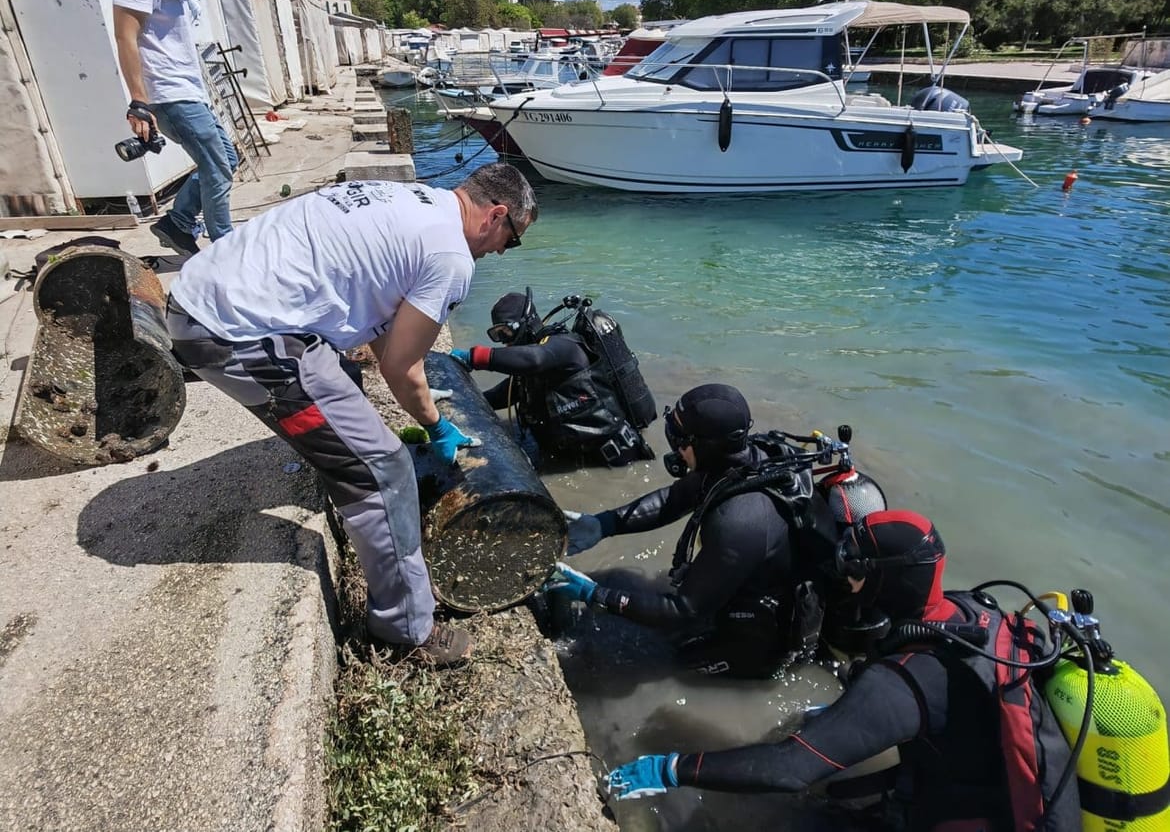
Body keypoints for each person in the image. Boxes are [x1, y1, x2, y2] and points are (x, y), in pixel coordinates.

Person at [164, 164, 538, 666]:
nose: (499, 252)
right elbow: (401, 366)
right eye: (510, 241)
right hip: (233, 335)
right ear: (496, 214)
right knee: (383, 471)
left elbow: (386, 330)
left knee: (352, 394)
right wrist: (436, 424)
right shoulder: (452, 256)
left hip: (202, 296)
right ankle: (407, 630)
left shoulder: (413, 202)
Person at [603, 509, 1082, 831]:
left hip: (974, 818)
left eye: (857, 571)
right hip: (987, 784)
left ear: (883, 581)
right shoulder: (969, 615)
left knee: (788, 813)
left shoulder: (902, 680)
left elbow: (787, 769)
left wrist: (674, 766)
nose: (848, 583)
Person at [545, 383, 854, 677]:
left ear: (704, 445)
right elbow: (675, 497)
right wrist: (604, 523)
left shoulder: (739, 522)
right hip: (748, 588)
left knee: (654, 659)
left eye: (680, 439)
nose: (675, 446)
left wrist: (595, 593)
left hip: (761, 639)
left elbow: (682, 609)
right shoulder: (749, 458)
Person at [113, 0, 239, 255]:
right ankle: (226, 252)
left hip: (190, 92)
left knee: (227, 160)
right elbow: (124, 36)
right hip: (169, 94)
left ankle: (177, 222)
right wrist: (139, 102)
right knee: (217, 168)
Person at [449, 289, 655, 466]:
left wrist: (474, 357)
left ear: (525, 324)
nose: (503, 341)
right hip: (572, 458)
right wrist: (464, 403)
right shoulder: (532, 371)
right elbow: (505, 393)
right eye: (496, 334)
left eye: (505, 332)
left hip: (614, 460)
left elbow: (535, 359)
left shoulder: (563, 347)